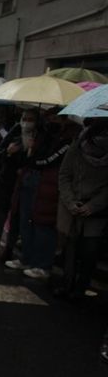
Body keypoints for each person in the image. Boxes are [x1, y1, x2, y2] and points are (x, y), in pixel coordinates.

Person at [5, 111, 75, 279]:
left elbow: (50, 159)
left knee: (43, 224)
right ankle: (26, 258)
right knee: (26, 221)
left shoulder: (68, 137)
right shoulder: (42, 132)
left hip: (48, 183)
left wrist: (34, 158)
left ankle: (42, 265)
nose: (51, 120)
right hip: (31, 178)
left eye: (55, 117)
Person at [55, 118, 108, 300]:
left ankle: (80, 288)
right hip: (74, 206)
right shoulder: (77, 147)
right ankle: (67, 283)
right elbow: (64, 175)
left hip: (97, 212)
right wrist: (71, 202)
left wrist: (93, 205)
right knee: (71, 248)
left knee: (89, 252)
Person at [0, 110, 37, 259]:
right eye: (25, 118)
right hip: (6, 180)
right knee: (0, 215)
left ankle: (9, 248)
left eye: (31, 119)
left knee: (17, 218)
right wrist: (8, 152)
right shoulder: (15, 131)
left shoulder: (39, 136)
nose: (27, 121)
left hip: (24, 183)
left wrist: (30, 155)